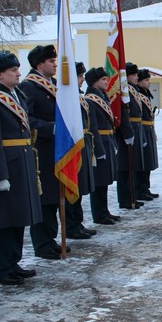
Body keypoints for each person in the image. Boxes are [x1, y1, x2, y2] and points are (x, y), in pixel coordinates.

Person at [0, 52, 41, 286]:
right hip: (8, 163)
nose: (18, 72)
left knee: (19, 215)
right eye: (13, 70)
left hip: (22, 160)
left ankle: (13, 262)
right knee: (6, 218)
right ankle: (1, 266)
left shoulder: (17, 95)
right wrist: (0, 176)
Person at [20, 44, 69, 260]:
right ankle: (42, 243)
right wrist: (51, 128)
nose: (55, 64)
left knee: (54, 198)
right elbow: (26, 119)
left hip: (57, 149)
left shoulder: (54, 84)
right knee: (45, 199)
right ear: (39, 64)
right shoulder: (29, 88)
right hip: (42, 149)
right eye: (51, 61)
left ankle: (51, 239)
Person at [84, 67, 120, 225]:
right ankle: (99, 214)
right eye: (103, 80)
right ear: (94, 82)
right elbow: (93, 126)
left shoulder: (102, 96)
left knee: (105, 179)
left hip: (107, 139)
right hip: (98, 141)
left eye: (106, 79)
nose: (106, 82)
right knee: (99, 180)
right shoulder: (91, 99)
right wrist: (98, 149)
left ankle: (104, 211)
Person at [65, 62, 97, 240]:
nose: (82, 79)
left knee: (79, 186)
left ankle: (77, 222)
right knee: (71, 186)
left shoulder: (77, 95)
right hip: (71, 144)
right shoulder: (67, 96)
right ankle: (71, 225)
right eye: (78, 76)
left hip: (82, 141)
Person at [116, 62, 144, 210]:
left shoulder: (133, 90)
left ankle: (132, 196)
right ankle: (125, 199)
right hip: (127, 130)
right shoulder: (123, 91)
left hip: (135, 128)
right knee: (125, 167)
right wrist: (127, 132)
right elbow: (124, 113)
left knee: (132, 166)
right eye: (133, 75)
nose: (136, 77)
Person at [135, 68, 159, 201]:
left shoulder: (145, 93)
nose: (149, 82)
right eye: (146, 80)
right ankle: (140, 189)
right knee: (142, 161)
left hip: (148, 128)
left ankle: (145, 187)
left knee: (149, 160)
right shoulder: (138, 94)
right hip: (142, 128)